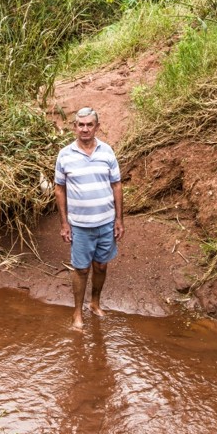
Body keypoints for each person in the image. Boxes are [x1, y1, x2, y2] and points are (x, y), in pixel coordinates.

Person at [54, 106, 124, 330]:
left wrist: (119, 219)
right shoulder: (65, 155)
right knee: (81, 269)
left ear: (97, 127)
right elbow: (59, 189)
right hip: (80, 225)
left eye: (89, 125)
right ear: (75, 127)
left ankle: (95, 303)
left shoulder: (107, 151)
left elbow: (116, 185)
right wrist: (65, 223)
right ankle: (77, 313)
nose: (85, 129)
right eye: (80, 125)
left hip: (106, 222)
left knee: (101, 266)